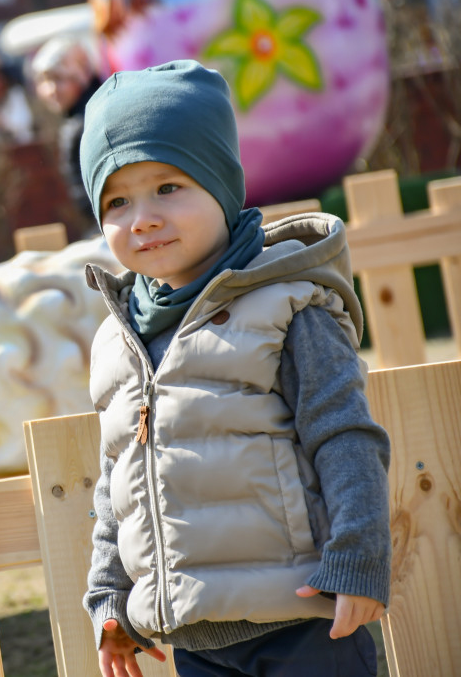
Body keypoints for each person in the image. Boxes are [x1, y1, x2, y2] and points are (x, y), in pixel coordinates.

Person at [79, 60, 391, 677]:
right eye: (117, 200)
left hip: (307, 621)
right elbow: (119, 482)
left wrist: (357, 558)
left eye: (168, 186)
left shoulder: (288, 307)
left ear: (222, 187)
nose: (141, 217)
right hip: (197, 638)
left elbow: (344, 436)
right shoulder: (121, 342)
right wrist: (110, 598)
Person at [30, 35, 103, 227]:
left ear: (81, 76)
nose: (51, 90)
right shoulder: (80, 117)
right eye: (44, 81)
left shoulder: (84, 124)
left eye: (59, 79)